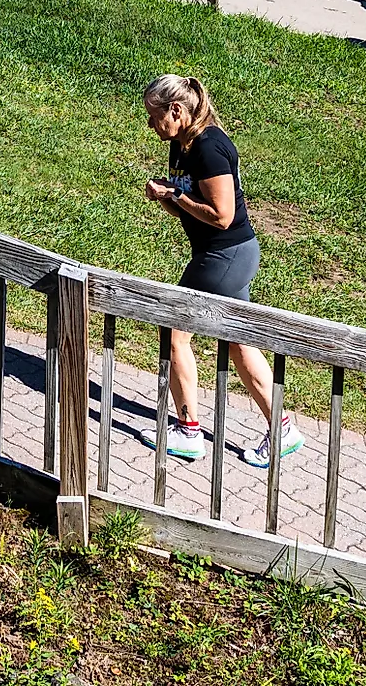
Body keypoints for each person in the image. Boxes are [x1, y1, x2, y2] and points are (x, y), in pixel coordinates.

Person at [140, 75, 299, 470]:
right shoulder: (182, 145)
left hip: (225, 255)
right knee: (237, 342)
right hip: (227, 254)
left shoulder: (209, 148)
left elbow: (222, 217)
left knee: (173, 333)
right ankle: (283, 430)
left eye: (154, 115)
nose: (150, 125)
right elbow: (189, 207)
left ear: (177, 110)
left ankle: (189, 432)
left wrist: (176, 194)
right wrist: (167, 197)